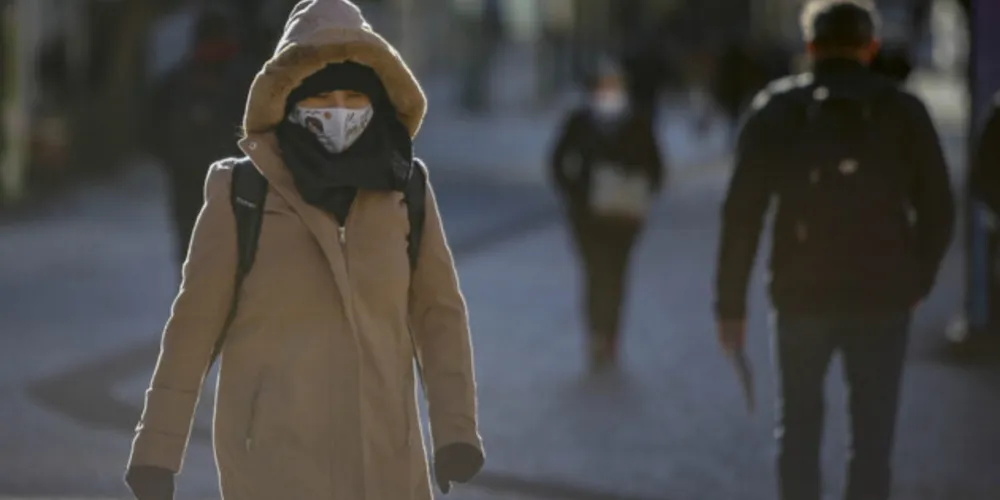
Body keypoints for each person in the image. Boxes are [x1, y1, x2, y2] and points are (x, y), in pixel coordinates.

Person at [124, 1, 484, 499]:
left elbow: (439, 315)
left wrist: (456, 433)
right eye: (321, 98)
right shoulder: (241, 192)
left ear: (377, 99)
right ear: (288, 99)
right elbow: (192, 329)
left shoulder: (406, 189)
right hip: (272, 469)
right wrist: (156, 452)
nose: (338, 110)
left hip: (385, 463)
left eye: (353, 95)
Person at [713, 1, 954, 499]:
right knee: (872, 438)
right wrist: (917, 280)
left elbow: (741, 215)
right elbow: (939, 209)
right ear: (870, 46)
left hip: (800, 294)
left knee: (797, 429)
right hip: (883, 297)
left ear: (810, 47)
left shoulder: (776, 109)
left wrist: (730, 306)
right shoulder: (903, 111)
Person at [550, 61, 665, 369]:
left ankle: (611, 335)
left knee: (616, 275)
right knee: (594, 274)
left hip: (624, 217)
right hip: (588, 216)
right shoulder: (580, 121)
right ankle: (596, 335)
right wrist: (575, 192)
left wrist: (638, 191)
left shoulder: (637, 122)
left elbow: (656, 166)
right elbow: (558, 160)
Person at [146, 7, 257, 267]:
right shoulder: (179, 84)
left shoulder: (243, 82)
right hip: (197, 183)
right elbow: (152, 129)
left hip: (224, 183)